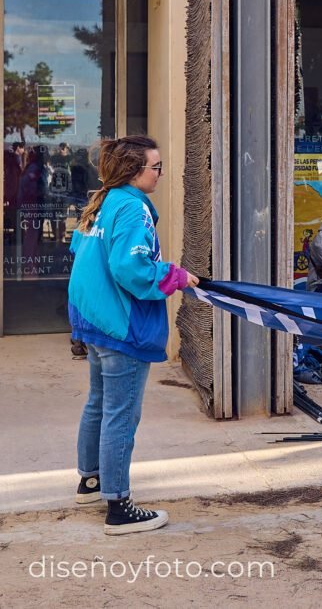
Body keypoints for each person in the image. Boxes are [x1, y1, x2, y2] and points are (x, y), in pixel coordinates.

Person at [68, 135, 199, 534]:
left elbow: (83, 251)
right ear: (134, 171)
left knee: (99, 403)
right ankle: (119, 507)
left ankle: (91, 480)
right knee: (120, 414)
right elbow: (132, 269)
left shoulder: (104, 202)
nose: (160, 173)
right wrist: (175, 275)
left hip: (94, 321)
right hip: (120, 326)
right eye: (155, 167)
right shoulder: (132, 210)